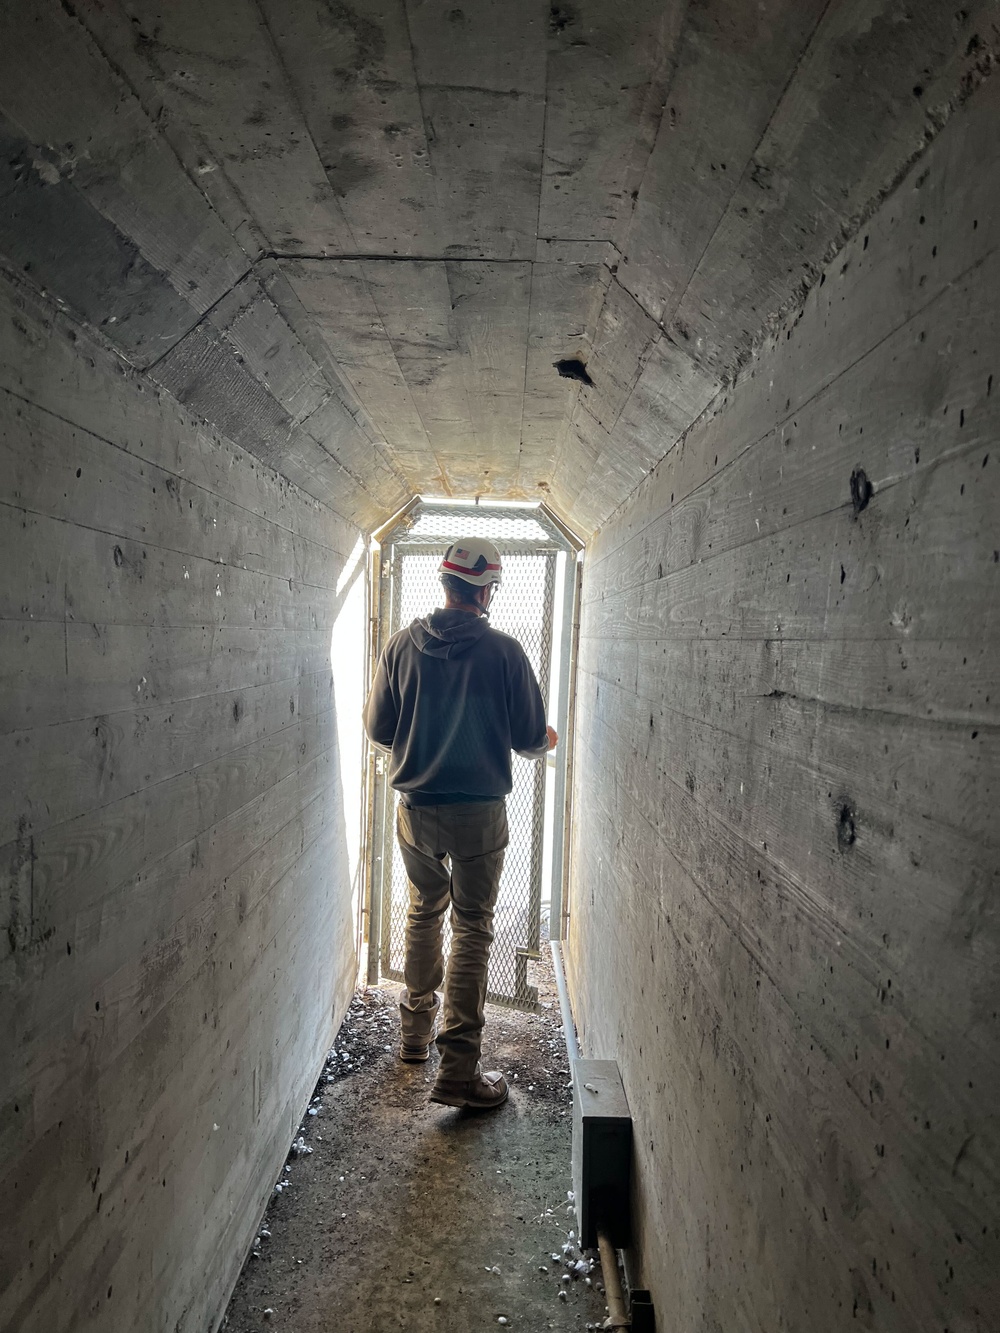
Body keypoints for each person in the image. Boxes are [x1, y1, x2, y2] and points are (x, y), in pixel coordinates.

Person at [363, 537, 557, 1110]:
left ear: (444, 584)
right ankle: (459, 1070)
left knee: (424, 911)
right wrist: (542, 738)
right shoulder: (505, 652)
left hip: (416, 813)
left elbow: (379, 731)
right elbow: (528, 738)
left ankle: (413, 1041)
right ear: (487, 591)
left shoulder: (401, 646)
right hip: (479, 816)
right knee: (472, 927)